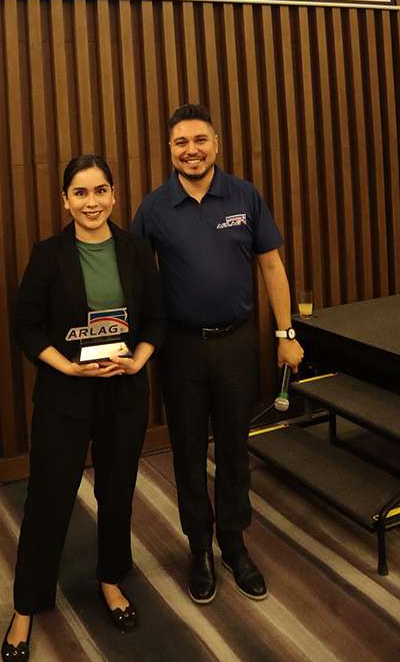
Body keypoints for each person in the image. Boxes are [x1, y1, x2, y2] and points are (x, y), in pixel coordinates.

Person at [133, 103, 303, 604]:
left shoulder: (245, 196)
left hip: (236, 345)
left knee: (233, 447)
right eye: (181, 142)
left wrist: (285, 333)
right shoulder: (155, 207)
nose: (192, 150)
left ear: (216, 144)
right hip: (180, 350)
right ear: (170, 150)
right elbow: (135, 277)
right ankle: (199, 548)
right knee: (187, 451)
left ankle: (233, 543)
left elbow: (271, 266)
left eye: (200, 140)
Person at [2, 155, 165, 661]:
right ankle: (26, 606)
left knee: (117, 494)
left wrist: (138, 361)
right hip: (64, 396)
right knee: (48, 500)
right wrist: (67, 368)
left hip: (123, 394)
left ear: (114, 195)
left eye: (100, 191)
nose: (91, 202)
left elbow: (156, 318)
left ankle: (111, 580)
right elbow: (26, 326)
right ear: (65, 201)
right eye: (80, 193)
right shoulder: (48, 255)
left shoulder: (135, 250)